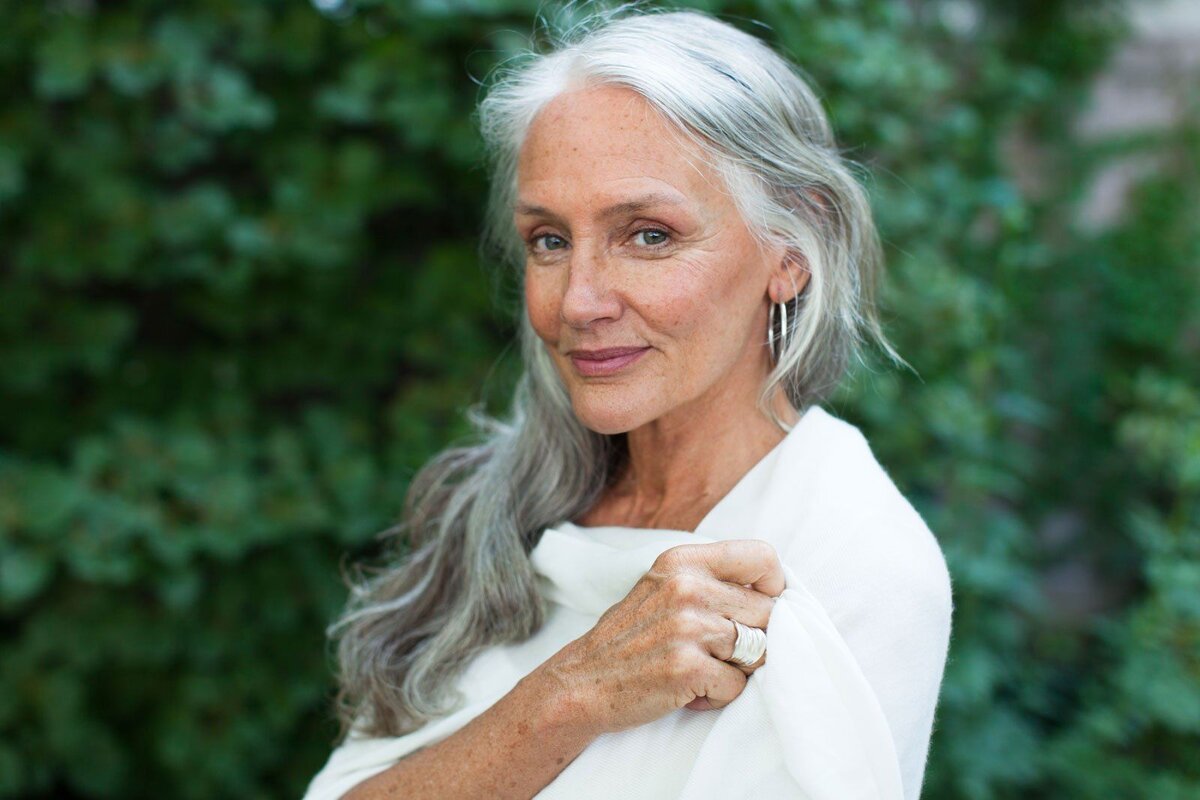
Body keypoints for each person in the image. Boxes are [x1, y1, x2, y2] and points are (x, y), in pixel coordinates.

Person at [302, 4, 953, 799]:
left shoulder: (852, 562)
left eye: (648, 235)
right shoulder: (499, 510)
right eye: (550, 240)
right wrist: (569, 696)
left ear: (791, 251)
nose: (578, 301)